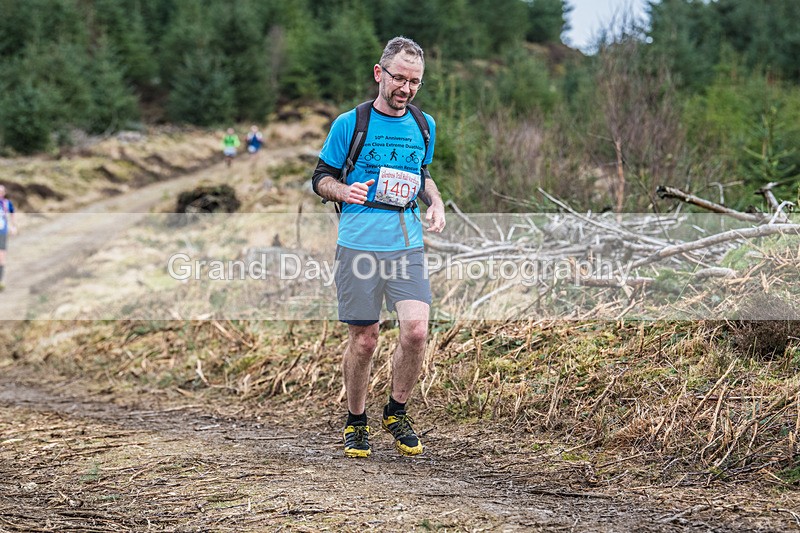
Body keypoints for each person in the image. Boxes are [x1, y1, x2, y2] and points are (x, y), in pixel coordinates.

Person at [312, 36, 446, 458]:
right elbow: (320, 177)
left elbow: (422, 175)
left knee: (416, 331)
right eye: (399, 78)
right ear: (379, 73)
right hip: (358, 245)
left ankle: (396, 410)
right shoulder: (350, 123)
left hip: (406, 245)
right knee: (365, 340)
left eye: (415, 82)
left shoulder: (425, 125)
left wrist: (437, 203)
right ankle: (356, 421)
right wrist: (342, 190)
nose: (405, 88)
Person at [0, 185, 18, 291]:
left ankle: (0, 281)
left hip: (2, 233)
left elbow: (12, 214)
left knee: (1, 257)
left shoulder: (6, 203)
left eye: (1, 191)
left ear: (4, 192)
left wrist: (13, 226)